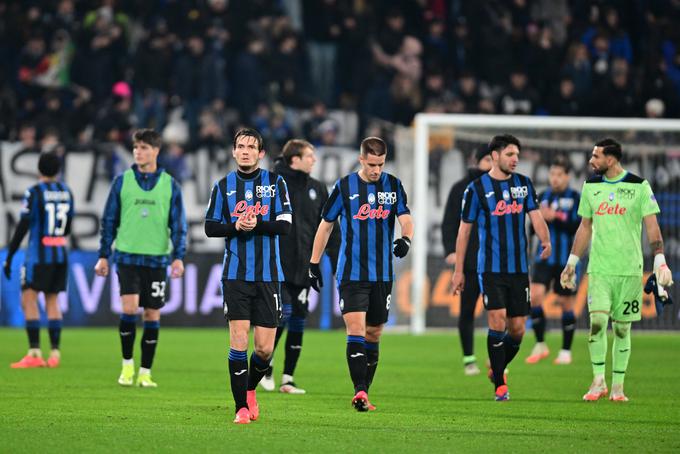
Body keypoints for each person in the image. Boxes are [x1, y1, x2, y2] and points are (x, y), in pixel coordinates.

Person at [560, 138, 673, 402]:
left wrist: (659, 258)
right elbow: (585, 227)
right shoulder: (590, 186)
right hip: (600, 269)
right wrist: (572, 263)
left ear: (610, 159)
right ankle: (598, 381)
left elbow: (652, 225)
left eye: (596, 156)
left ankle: (618, 387)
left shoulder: (639, 186)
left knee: (622, 329)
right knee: (598, 323)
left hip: (630, 270)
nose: (591, 161)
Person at [308, 137, 413, 412]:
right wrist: (313, 263)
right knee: (355, 329)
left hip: (382, 275)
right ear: (361, 159)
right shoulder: (344, 187)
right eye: (371, 164)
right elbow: (325, 226)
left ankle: (365, 389)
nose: (376, 170)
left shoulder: (393, 185)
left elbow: (406, 218)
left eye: (380, 164)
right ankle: (360, 392)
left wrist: (406, 239)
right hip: (351, 273)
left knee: (374, 332)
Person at [452, 134, 551, 401]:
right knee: (497, 321)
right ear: (494, 156)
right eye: (509, 154)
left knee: (517, 329)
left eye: (517, 154)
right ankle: (500, 385)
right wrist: (459, 270)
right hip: (490, 269)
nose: (515, 159)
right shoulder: (476, 189)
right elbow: (463, 233)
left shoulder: (524, 185)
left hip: (519, 269)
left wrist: (545, 239)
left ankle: (496, 367)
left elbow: (536, 217)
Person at [204, 128, 292, 424]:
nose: (245, 151)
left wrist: (256, 224)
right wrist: (235, 227)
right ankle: (240, 407)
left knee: (265, 349)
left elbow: (284, 225)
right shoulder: (223, 186)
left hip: (269, 275)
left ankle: (250, 388)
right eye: (240, 146)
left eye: (251, 147)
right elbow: (210, 227)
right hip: (236, 275)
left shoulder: (275, 182)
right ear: (233, 151)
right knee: (239, 340)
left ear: (261, 153)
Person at [94, 129, 187, 388]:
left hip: (157, 259)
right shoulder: (121, 181)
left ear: (156, 151)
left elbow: (178, 225)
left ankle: (145, 371)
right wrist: (103, 255)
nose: (138, 152)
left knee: (152, 314)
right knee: (128, 309)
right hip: (127, 255)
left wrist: (178, 257)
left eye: (144, 147)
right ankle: (127, 366)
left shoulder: (171, 185)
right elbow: (109, 220)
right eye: (136, 147)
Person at [259, 139, 339, 394]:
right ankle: (266, 365)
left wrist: (333, 262)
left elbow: (328, 228)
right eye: (309, 156)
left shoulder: (317, 188)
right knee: (282, 315)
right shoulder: (271, 184)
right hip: (277, 265)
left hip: (304, 266)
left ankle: (287, 378)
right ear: (295, 160)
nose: (314, 160)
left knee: (298, 320)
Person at [4, 151, 74, 368]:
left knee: (29, 299)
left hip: (38, 256)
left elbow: (23, 225)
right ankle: (55, 354)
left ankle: (34, 353)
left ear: (39, 169)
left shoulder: (34, 192)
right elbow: (69, 226)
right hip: (60, 254)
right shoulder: (66, 191)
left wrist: (11, 254)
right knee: (52, 301)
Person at [441, 145, 493, 376]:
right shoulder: (461, 188)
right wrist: (450, 251)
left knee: (498, 312)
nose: (492, 164)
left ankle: (496, 358)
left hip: (494, 261)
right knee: (467, 311)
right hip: (470, 262)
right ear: (478, 161)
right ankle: (469, 359)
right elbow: (449, 222)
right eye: (488, 159)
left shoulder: (502, 188)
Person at [525, 156, 580, 365]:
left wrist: (556, 217)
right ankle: (540, 343)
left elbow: (577, 226)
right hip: (543, 259)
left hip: (566, 260)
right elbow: (532, 229)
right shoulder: (542, 196)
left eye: (559, 175)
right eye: (552, 174)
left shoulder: (576, 197)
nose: (555, 178)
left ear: (567, 176)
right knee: (535, 296)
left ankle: (566, 351)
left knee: (566, 303)